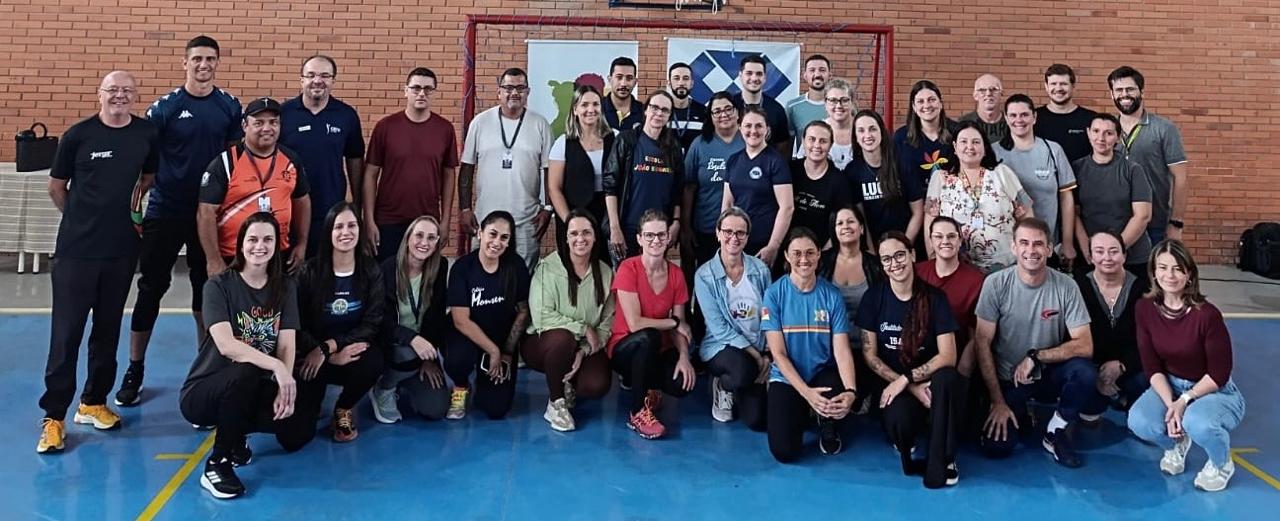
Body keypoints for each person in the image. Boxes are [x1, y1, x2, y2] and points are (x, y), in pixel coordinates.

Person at [36, 71, 159, 454]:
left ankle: (93, 402)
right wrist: (81, 219)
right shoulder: (78, 135)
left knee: (107, 330)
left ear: (135, 97)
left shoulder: (146, 134)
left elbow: (148, 177)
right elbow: (57, 187)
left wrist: (128, 213)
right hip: (77, 252)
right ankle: (54, 417)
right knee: (67, 335)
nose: (119, 96)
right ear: (100, 95)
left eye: (127, 91)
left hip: (122, 250)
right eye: (112, 90)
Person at [119, 35, 243, 407]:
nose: (203, 65)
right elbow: (144, 159)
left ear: (217, 63)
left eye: (210, 59)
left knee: (208, 290)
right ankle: (135, 368)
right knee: (151, 289)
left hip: (210, 213)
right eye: (197, 59)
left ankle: (207, 367)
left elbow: (234, 161)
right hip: (166, 211)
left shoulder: (228, 106)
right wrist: (134, 201)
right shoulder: (166, 108)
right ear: (185, 63)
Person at [179, 213, 317, 499]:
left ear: (277, 245)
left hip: (252, 385)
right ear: (240, 244)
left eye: (268, 239)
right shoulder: (218, 286)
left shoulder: (285, 287)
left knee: (298, 431)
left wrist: (283, 386)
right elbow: (227, 345)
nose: (260, 246)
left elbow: (287, 344)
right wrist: (277, 367)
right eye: (252, 239)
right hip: (204, 393)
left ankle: (237, 433)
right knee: (247, 368)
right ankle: (217, 463)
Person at [974, 218, 1097, 468]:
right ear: (1014, 247)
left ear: (1049, 249)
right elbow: (982, 343)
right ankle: (1020, 412)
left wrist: (1036, 356)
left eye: (1038, 244)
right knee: (997, 447)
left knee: (1084, 372)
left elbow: (1085, 345)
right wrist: (997, 401)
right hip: (1009, 379)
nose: (1031, 250)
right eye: (1024, 243)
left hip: (1047, 374)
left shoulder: (1067, 285)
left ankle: (1056, 431)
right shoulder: (995, 284)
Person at [1128, 240, 1245, 492]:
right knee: (1139, 421)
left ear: (1189, 273)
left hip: (1213, 389)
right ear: (1154, 272)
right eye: (1163, 267)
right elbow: (1151, 365)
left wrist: (1183, 401)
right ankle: (1177, 444)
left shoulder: (1207, 315)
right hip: (1170, 384)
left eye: (1177, 268)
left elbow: (1219, 374)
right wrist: (1171, 404)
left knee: (1198, 422)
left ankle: (1221, 463)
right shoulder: (1144, 308)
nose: (1169, 275)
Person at [856, 231, 962, 488]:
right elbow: (869, 355)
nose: (895, 263)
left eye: (900, 255)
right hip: (894, 384)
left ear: (912, 255)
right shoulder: (873, 298)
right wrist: (907, 386)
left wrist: (908, 379)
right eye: (887, 259)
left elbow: (948, 355)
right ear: (882, 265)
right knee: (900, 423)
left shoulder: (935, 298)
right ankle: (909, 435)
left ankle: (945, 458)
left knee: (947, 378)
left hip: (930, 382)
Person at [762, 227, 857, 462]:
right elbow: (778, 354)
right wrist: (806, 394)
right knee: (784, 452)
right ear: (786, 255)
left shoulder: (832, 295)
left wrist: (850, 391)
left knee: (835, 391)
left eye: (810, 252)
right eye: (797, 253)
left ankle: (827, 422)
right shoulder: (773, 294)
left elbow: (841, 350)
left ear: (818, 255)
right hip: (787, 377)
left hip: (822, 374)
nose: (804, 259)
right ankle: (805, 410)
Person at [294, 202, 385, 442]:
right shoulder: (309, 272)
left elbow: (371, 324)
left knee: (373, 361)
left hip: (347, 352)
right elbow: (296, 324)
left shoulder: (371, 271)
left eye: (352, 226)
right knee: (298, 435)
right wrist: (323, 352)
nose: (346, 232)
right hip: (313, 354)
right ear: (329, 232)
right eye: (339, 227)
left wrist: (331, 347)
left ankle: (344, 407)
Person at [523, 209, 615, 432]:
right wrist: (582, 328)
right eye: (574, 233)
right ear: (566, 238)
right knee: (563, 339)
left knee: (597, 384)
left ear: (595, 236)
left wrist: (584, 350)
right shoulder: (548, 268)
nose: (580, 239)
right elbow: (542, 316)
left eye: (586, 232)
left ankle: (568, 383)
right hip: (543, 343)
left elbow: (606, 323)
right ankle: (556, 402)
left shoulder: (605, 273)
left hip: (582, 345)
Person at [196, 97, 311, 274]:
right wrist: (214, 259)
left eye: (273, 122)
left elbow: (302, 201)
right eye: (258, 123)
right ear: (245, 126)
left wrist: (302, 244)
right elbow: (205, 213)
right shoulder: (225, 163)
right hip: (234, 257)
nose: (267, 128)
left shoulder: (291, 160)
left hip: (278, 255)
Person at [608, 209, 695, 440]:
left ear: (668, 238)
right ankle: (637, 413)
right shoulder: (628, 268)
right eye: (649, 235)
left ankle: (650, 389)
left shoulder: (676, 274)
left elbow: (681, 327)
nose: (655, 240)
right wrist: (673, 322)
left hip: (658, 348)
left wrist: (684, 357)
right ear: (639, 239)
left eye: (660, 235)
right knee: (649, 336)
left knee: (681, 383)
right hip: (625, 348)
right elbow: (635, 324)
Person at [459, 67, 554, 268]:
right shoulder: (480, 123)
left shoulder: (540, 124)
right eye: (509, 87)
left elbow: (549, 170)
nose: (514, 93)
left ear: (528, 92)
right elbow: (467, 168)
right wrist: (465, 209)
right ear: (499, 91)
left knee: (522, 277)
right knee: (482, 274)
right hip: (485, 219)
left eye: (520, 88)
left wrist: (548, 208)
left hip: (526, 221)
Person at [363, 67, 459, 262]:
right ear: (405, 90)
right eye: (416, 88)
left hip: (427, 220)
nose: (422, 93)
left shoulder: (445, 129)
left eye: (428, 89)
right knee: (386, 274)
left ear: (434, 93)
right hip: (387, 220)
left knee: (424, 276)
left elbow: (449, 175)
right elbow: (371, 174)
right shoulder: (385, 127)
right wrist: (369, 220)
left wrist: (445, 221)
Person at [445, 211, 531, 420]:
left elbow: (523, 311)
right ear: (480, 233)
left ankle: (484, 383)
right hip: (468, 336)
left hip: (501, 339)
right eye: (492, 234)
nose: (497, 242)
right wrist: (493, 351)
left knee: (495, 409)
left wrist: (507, 352)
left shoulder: (516, 266)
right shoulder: (463, 268)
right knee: (458, 359)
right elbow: (460, 320)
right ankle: (461, 386)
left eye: (504, 237)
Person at [368, 216, 452, 424]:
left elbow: (437, 317)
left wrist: (429, 359)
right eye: (419, 236)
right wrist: (412, 338)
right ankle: (384, 387)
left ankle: (406, 377)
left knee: (436, 409)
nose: (424, 243)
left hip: (421, 349)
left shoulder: (440, 267)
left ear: (437, 243)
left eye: (431, 238)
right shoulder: (387, 269)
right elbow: (380, 321)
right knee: (407, 354)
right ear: (408, 239)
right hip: (393, 345)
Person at [279, 55, 365, 258]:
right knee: (288, 270)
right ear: (301, 80)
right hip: (288, 210)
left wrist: (357, 204)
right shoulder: (284, 114)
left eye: (325, 75)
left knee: (323, 269)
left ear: (333, 80)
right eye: (311, 75)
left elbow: (355, 159)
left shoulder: (346, 115)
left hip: (330, 210)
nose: (317, 80)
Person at [695, 207, 772, 428]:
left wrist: (768, 353)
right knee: (744, 371)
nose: (733, 238)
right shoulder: (704, 276)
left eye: (740, 233)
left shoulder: (760, 270)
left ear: (747, 237)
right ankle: (722, 384)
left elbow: (769, 315)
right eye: (728, 231)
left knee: (757, 421)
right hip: (721, 346)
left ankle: (739, 383)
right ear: (717, 233)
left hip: (757, 345)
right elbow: (719, 328)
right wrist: (756, 357)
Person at [925, 121, 1033, 274]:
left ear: (984, 148)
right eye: (963, 142)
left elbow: (1026, 214)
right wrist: (933, 258)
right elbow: (930, 221)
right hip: (957, 268)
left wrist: (1027, 253)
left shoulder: (1002, 173)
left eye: (976, 142)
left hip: (1006, 266)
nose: (970, 147)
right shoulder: (940, 178)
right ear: (955, 147)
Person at [994, 94, 1078, 269]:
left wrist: (1067, 242)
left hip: (1047, 245)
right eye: (1013, 115)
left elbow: (1066, 198)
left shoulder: (1052, 150)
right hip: (1006, 249)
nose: (1019, 120)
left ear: (1034, 117)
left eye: (1024, 114)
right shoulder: (993, 153)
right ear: (1006, 118)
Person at [1108, 66, 1189, 245]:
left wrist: (1176, 222)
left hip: (1155, 225)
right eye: (1119, 90)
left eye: (1130, 89)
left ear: (1142, 92)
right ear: (1112, 94)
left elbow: (1180, 178)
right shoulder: (1106, 130)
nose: (1124, 94)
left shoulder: (1164, 129)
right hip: (1114, 224)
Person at [603, 91, 685, 258]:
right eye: (654, 107)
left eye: (665, 110)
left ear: (669, 116)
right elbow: (610, 186)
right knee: (626, 274)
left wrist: (676, 222)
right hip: (628, 229)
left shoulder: (673, 148)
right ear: (646, 110)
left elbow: (677, 190)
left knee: (654, 274)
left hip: (658, 233)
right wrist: (615, 227)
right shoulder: (626, 141)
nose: (659, 113)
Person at [1075, 230, 1149, 413]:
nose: (1107, 257)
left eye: (1114, 251)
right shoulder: (1076, 286)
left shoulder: (1144, 289)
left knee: (1144, 380)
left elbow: (1150, 340)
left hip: (1128, 365)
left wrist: (1123, 365)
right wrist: (1099, 374)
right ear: (1091, 257)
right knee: (1086, 391)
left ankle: (1132, 409)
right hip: (1091, 366)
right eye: (1099, 251)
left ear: (1124, 256)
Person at [1072, 113, 1153, 277]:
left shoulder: (1133, 170)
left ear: (1118, 137)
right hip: (1091, 256)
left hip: (1131, 256)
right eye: (1096, 131)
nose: (1101, 138)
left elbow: (1143, 215)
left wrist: (1116, 251)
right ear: (1088, 133)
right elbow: (1073, 213)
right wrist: (1088, 249)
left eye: (1108, 133)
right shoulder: (1076, 168)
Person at [722, 107, 793, 269]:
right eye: (748, 126)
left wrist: (773, 246)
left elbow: (787, 207)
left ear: (767, 129)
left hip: (764, 243)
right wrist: (724, 236)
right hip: (737, 241)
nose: (753, 131)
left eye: (759, 126)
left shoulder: (776, 162)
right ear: (740, 128)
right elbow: (727, 204)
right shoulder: (733, 160)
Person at [915, 217, 985, 377]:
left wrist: (960, 376)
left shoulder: (976, 280)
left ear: (960, 241)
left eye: (951, 236)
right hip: (917, 358)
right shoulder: (916, 272)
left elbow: (976, 337)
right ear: (930, 241)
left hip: (954, 363)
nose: (945, 241)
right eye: (938, 236)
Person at [547, 84, 613, 253]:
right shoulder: (563, 143)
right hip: (574, 213)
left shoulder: (616, 139)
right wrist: (570, 221)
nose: (591, 109)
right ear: (575, 110)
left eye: (596, 104)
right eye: (584, 105)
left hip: (608, 216)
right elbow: (554, 188)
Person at [682, 91, 744, 269]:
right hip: (706, 228)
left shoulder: (748, 141)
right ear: (710, 116)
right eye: (717, 111)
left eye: (728, 109)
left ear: (737, 112)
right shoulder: (699, 144)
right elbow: (688, 188)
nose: (723, 114)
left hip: (741, 231)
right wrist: (686, 227)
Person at [851, 109, 923, 242]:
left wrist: (904, 246)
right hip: (872, 245)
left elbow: (918, 212)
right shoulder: (853, 171)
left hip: (906, 241)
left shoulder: (903, 163)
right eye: (861, 130)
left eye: (872, 129)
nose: (867, 135)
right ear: (855, 137)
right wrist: (871, 250)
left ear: (882, 132)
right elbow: (861, 219)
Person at [790, 121, 854, 249]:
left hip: (822, 249)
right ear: (803, 141)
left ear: (831, 145)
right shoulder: (790, 170)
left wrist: (823, 254)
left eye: (823, 141)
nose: (817, 145)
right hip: (788, 248)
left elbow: (842, 224)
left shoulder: (839, 181)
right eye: (812, 139)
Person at [895, 80, 957, 190]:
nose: (927, 105)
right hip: (912, 199)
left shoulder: (957, 132)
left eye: (931, 100)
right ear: (914, 106)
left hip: (951, 197)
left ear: (940, 103)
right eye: (920, 101)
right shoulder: (901, 137)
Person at [1035, 63, 1095, 163]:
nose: (1058, 88)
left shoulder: (1091, 119)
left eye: (1063, 84)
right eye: (1053, 84)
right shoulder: (1034, 118)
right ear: (1046, 86)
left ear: (1073, 86)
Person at [732, 55, 790, 154]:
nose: (754, 78)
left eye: (759, 74)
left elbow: (783, 146)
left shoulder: (776, 109)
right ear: (740, 76)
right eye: (749, 73)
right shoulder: (730, 106)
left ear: (765, 77)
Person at [786, 54, 832, 156]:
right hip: (804, 163)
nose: (817, 74)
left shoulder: (838, 108)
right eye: (812, 70)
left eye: (822, 70)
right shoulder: (792, 107)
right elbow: (788, 144)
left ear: (830, 75)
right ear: (805, 76)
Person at [666, 62, 708, 151]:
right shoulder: (661, 110)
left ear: (691, 83)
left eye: (686, 78)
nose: (681, 83)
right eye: (676, 78)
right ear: (669, 83)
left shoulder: (703, 111)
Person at [958, 74, 1009, 144]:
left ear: (1001, 94)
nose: (988, 94)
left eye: (994, 89)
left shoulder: (1013, 123)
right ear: (975, 95)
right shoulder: (963, 123)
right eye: (982, 90)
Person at [819, 78, 857, 169]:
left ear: (852, 102)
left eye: (844, 100)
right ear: (825, 103)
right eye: (833, 100)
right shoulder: (816, 130)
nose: (839, 106)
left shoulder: (863, 129)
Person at [603, 57, 644, 131]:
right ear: (610, 79)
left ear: (635, 82)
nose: (623, 84)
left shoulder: (644, 112)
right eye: (619, 77)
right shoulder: (597, 109)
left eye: (629, 78)